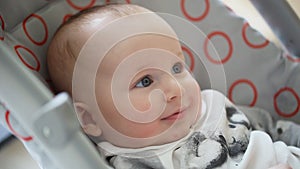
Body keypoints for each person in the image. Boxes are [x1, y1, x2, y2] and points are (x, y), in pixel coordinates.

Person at [47, 4, 299, 169]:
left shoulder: (212, 105)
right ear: (90, 118)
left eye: (177, 68)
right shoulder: (131, 163)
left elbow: (272, 128)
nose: (175, 89)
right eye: (144, 81)